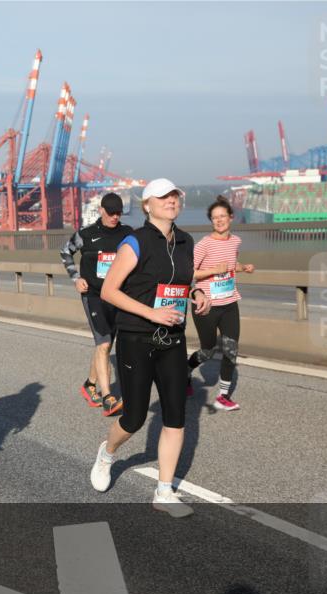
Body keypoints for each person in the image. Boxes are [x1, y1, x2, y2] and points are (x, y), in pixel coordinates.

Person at [89, 178, 210, 518]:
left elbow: (182, 282)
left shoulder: (185, 241)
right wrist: (150, 312)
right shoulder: (136, 241)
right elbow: (109, 291)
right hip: (136, 338)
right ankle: (108, 453)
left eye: (175, 196)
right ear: (147, 205)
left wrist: (196, 293)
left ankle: (164, 491)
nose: (171, 201)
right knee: (134, 418)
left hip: (171, 339)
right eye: (163, 197)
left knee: (175, 416)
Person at [60, 193, 132, 416]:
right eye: (111, 212)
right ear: (101, 210)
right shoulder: (86, 235)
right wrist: (76, 278)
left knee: (107, 344)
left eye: (119, 213)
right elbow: (65, 252)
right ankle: (108, 397)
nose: (115, 217)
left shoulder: (128, 234)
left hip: (118, 296)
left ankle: (89, 385)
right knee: (103, 345)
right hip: (93, 296)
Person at [188, 196, 254, 411]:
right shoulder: (204, 244)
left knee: (231, 349)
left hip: (229, 303)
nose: (219, 221)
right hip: (206, 305)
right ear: (211, 221)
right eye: (215, 218)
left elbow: (231, 262)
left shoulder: (235, 241)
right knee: (207, 351)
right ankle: (184, 372)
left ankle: (223, 396)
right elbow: (188, 272)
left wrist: (243, 267)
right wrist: (213, 271)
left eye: (222, 216)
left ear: (231, 218)